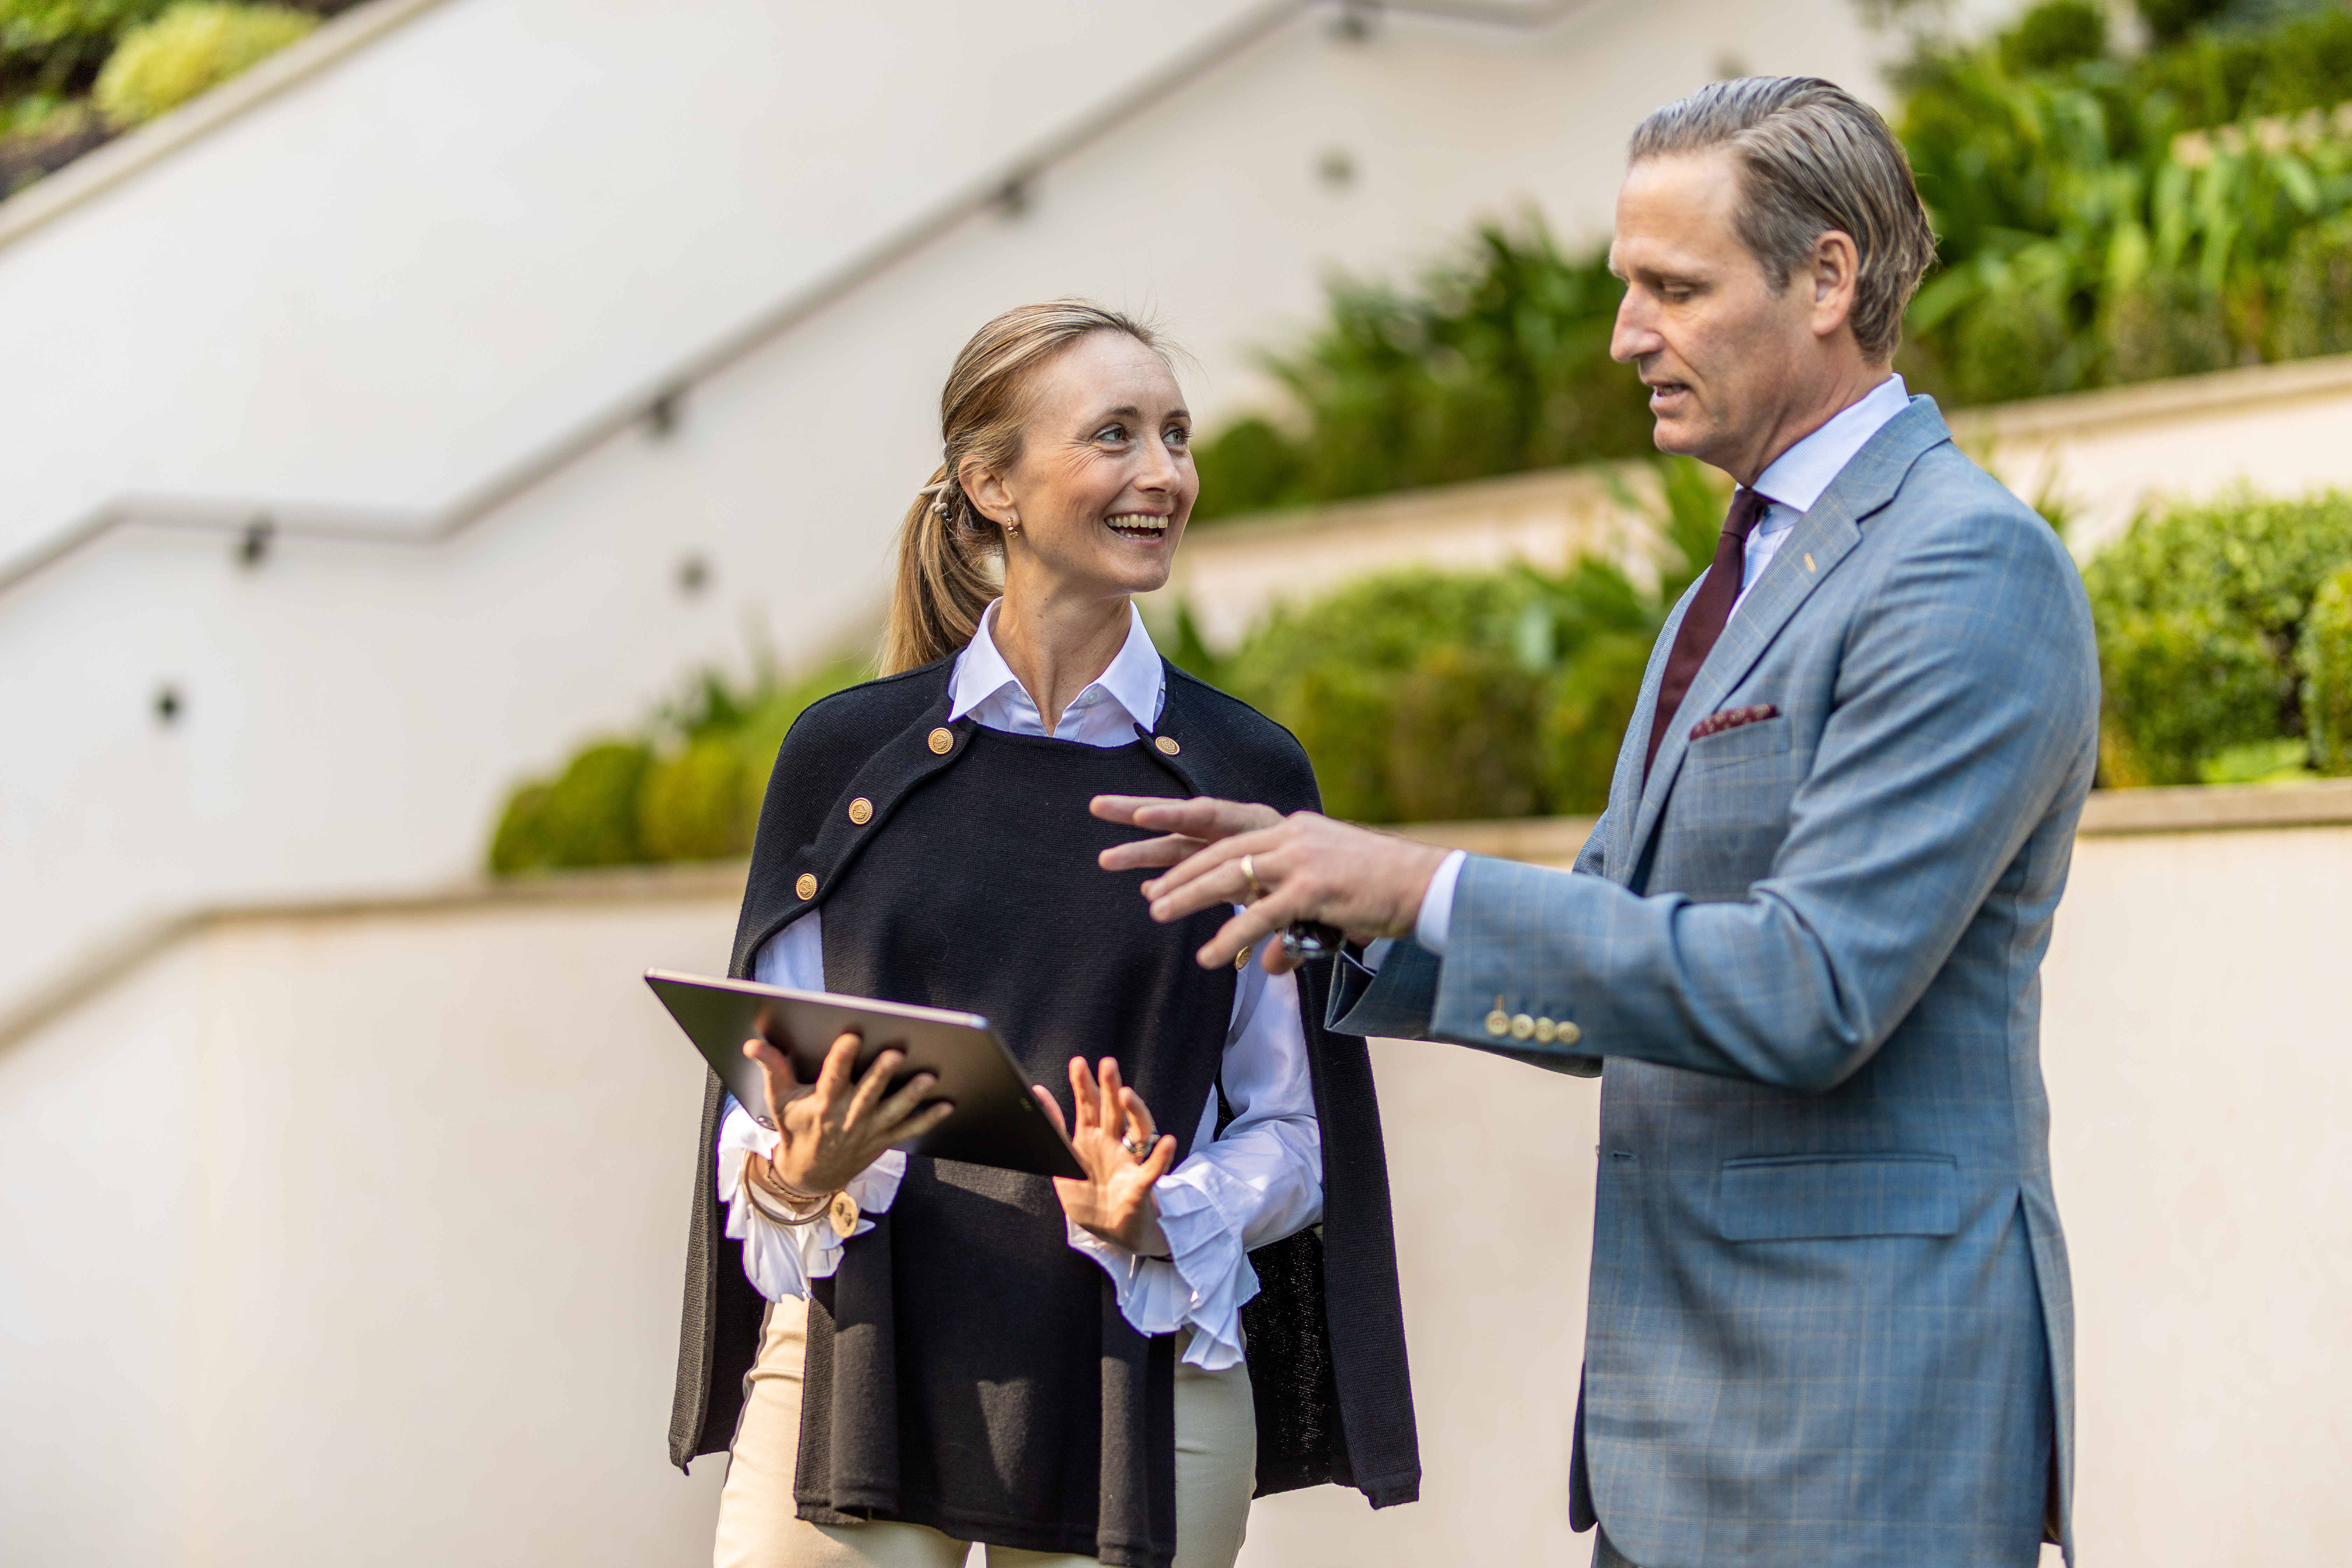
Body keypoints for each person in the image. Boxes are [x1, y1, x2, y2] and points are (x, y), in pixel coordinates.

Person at [1095, 79, 2098, 1568]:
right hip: (1680, 1440)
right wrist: (1330, 915)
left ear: (1828, 279)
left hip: (1869, 1433)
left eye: (1673, 289)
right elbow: (1604, 959)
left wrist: (1420, 880)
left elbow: (1812, 988)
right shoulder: (1734, 576)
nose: (1628, 335)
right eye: (1627, 287)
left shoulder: (1966, 572)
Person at [667, 301, 1418, 1568]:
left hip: (1148, 1367)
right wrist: (796, 1168)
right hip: (860, 1359)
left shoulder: (1244, 771)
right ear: (992, 484)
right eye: (1114, 436)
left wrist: (1161, 1211)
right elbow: (773, 1082)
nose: (1164, 475)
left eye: (1176, 436)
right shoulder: (846, 760)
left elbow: (1296, 1132)